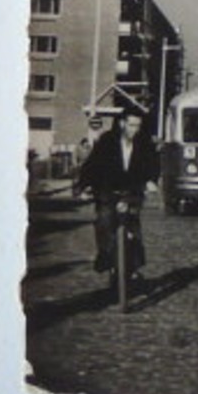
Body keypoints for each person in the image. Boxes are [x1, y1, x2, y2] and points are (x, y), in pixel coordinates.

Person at [74, 110, 160, 277]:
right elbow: (93, 164)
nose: (135, 129)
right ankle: (107, 257)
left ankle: (133, 266)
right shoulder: (108, 141)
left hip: (132, 190)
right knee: (104, 220)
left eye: (138, 126)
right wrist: (83, 185)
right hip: (109, 191)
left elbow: (153, 164)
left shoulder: (144, 143)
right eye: (131, 125)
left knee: (133, 227)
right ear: (122, 124)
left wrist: (152, 181)